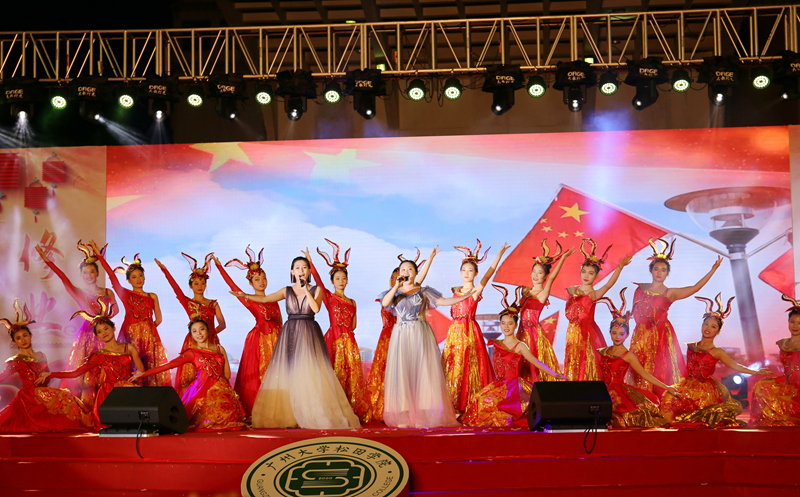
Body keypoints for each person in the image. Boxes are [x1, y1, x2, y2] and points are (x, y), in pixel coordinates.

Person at [233, 251, 360, 429]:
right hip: (291, 332)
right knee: (290, 373)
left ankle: (312, 412)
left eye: (304, 267)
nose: (301, 270)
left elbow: (316, 309)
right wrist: (245, 296)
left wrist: (306, 290)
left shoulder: (317, 290)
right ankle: (291, 414)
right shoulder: (286, 290)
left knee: (310, 371)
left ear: (308, 271)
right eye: (297, 268)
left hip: (309, 331)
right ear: (292, 272)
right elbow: (266, 299)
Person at [379, 252, 473, 428]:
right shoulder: (395, 293)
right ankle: (403, 417)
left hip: (420, 333)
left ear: (415, 272)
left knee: (423, 373)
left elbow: (443, 301)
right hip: (401, 335)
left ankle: (423, 416)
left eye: (410, 269)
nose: (406, 271)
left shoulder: (423, 291)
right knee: (403, 374)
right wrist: (396, 286)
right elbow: (385, 303)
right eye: (403, 269)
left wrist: (464, 297)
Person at [462, 285, 567, 427]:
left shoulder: (520, 346)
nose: (506, 327)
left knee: (495, 407)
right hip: (499, 386)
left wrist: (555, 375)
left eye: (510, 324)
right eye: (503, 323)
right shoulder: (497, 343)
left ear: (516, 325)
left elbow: (536, 362)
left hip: (514, 388)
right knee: (478, 400)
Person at [660, 294, 771, 427]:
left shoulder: (717, 352)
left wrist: (755, 372)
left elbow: (735, 365)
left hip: (705, 390)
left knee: (699, 411)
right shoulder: (692, 346)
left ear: (718, 331)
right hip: (686, 385)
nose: (708, 328)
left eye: (713, 326)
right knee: (669, 399)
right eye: (706, 324)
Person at [629, 238, 722, 395]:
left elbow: (694, 288)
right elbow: (636, 313)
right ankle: (640, 399)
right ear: (651, 270)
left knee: (660, 369)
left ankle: (659, 399)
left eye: (663, 270)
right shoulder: (640, 289)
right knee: (639, 368)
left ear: (667, 274)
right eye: (656, 269)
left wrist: (712, 270)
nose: (659, 272)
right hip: (641, 334)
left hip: (661, 335)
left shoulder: (670, 293)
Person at [35, 241, 118, 405]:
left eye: (92, 271)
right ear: (81, 275)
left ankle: (106, 404)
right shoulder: (79, 292)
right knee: (84, 372)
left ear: (97, 273)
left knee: (106, 370)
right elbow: (62, 277)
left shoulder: (107, 292)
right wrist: (46, 259)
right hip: (86, 336)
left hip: (105, 335)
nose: (89, 275)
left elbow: (116, 310)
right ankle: (86, 405)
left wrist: (107, 318)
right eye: (85, 272)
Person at [39, 299, 143, 429]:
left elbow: (141, 370)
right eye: (99, 331)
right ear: (97, 336)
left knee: (133, 426)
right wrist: (51, 374)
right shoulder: (99, 355)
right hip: (108, 396)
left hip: (127, 393)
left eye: (106, 328)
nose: (104, 333)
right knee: (114, 427)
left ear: (113, 327)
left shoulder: (129, 348)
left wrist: (134, 379)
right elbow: (75, 373)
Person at [131, 319, 247, 432]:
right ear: (191, 335)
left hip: (222, 390)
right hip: (201, 389)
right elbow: (170, 365)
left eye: (202, 329)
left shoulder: (219, 349)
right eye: (194, 331)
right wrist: (144, 373)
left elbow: (227, 375)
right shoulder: (192, 352)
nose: (199, 333)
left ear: (208, 330)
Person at [363, 248, 436, 424]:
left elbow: (419, 281)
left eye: (406, 272)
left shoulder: (409, 293)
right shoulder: (390, 295)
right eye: (397, 275)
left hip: (405, 336)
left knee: (411, 374)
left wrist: (430, 259)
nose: (402, 276)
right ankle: (391, 411)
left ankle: (415, 414)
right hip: (388, 338)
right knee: (393, 376)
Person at [0, 300, 95, 433]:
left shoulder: (41, 355)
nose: (23, 340)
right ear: (14, 342)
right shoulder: (16, 361)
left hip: (43, 392)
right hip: (30, 397)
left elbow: (47, 377)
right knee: (64, 395)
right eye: (18, 338)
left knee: (67, 395)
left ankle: (79, 423)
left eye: (25, 335)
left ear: (30, 335)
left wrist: (44, 379)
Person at [213, 247, 282, 419]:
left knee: (279, 375)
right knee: (261, 376)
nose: (261, 282)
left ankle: (280, 410)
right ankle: (261, 412)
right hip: (259, 341)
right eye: (257, 279)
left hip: (277, 341)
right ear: (251, 283)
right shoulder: (249, 299)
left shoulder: (275, 300)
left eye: (264, 278)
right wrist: (220, 267)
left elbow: (280, 322)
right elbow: (232, 286)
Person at [90, 241, 171, 387]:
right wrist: (99, 256)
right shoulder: (125, 294)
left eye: (140, 276)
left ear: (144, 277)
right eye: (134, 277)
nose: (138, 279)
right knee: (131, 369)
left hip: (150, 339)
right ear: (128, 280)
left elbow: (158, 319)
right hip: (131, 337)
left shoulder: (152, 296)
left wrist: (147, 331)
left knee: (150, 371)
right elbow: (112, 276)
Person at [442, 240, 509, 414]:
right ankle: (452, 405)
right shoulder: (455, 291)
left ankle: (466, 404)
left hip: (469, 331)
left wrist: (499, 256)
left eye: (470, 270)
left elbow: (488, 275)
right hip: (454, 333)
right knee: (453, 366)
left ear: (476, 273)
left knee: (468, 367)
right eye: (463, 270)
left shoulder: (475, 290)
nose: (466, 273)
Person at [595, 288, 678, 428]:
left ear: (627, 335)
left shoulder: (628, 355)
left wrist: (666, 387)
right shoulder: (604, 351)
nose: (617, 337)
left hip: (619, 395)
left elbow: (644, 374)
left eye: (621, 333)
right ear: (610, 332)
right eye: (614, 333)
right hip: (603, 392)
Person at [310, 239, 368, 420]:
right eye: (337, 278)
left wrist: (347, 335)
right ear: (332, 281)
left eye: (344, 278)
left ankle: (350, 408)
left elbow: (354, 325)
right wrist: (310, 263)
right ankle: (334, 409)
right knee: (334, 373)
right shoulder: (329, 296)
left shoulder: (352, 302)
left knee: (352, 375)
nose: (341, 281)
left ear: (347, 280)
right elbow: (318, 281)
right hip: (334, 339)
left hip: (349, 340)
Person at [155, 253, 226, 395]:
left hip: (211, 342)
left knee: (214, 375)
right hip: (193, 343)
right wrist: (165, 270)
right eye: (196, 283)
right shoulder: (187, 302)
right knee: (192, 375)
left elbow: (222, 325)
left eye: (203, 283)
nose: (200, 286)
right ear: (191, 285)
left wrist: (210, 334)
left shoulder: (213, 304)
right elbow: (175, 288)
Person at [564, 238, 631, 381]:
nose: (586, 276)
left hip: (587, 334)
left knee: (586, 364)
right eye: (584, 272)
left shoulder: (593, 294)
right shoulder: (573, 291)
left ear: (596, 276)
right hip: (572, 333)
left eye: (590, 273)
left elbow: (608, 285)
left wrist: (620, 267)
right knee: (573, 362)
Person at [517, 240, 572, 382]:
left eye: (540, 272)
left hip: (533, 334)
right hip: (520, 332)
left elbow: (553, 277)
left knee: (533, 364)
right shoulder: (525, 291)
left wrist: (563, 258)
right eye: (534, 271)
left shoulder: (542, 293)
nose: (535, 275)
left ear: (545, 276)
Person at [749, 294, 800, 426]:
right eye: (792, 322)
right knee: (761, 386)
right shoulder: (783, 343)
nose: (795, 326)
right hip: (787, 381)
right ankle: (774, 417)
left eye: (799, 323)